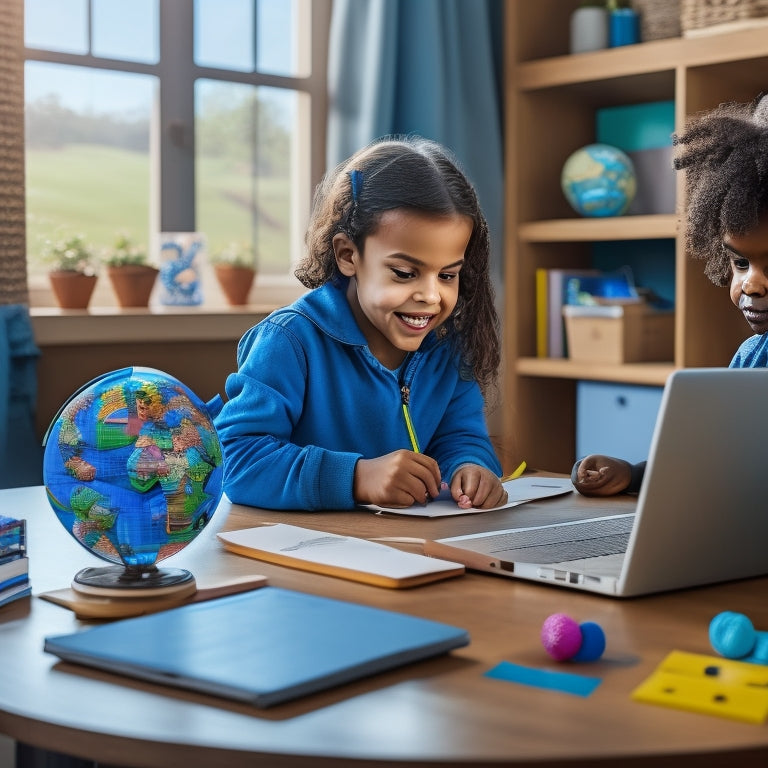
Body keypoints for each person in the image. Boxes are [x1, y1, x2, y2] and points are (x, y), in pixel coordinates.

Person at [214, 136, 507, 511]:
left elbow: (460, 437)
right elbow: (236, 461)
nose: (431, 296)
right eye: (404, 273)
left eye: (448, 275)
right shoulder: (289, 341)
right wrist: (357, 477)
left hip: (409, 553)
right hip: (305, 554)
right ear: (348, 255)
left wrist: (472, 467)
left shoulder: (445, 348)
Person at [573, 94, 768, 497]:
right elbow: (707, 459)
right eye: (741, 263)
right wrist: (635, 474)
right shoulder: (753, 358)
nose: (752, 284)